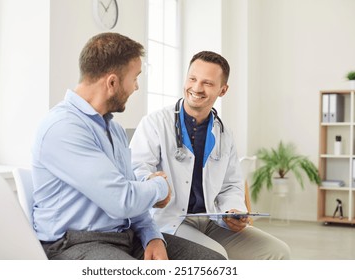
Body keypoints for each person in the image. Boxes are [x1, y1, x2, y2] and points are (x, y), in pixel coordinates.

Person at [31, 33, 225, 260]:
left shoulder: (113, 129)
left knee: (213, 263)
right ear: (112, 82)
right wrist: (160, 187)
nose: (136, 87)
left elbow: (130, 188)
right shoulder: (64, 128)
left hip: (125, 235)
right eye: (134, 78)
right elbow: (122, 200)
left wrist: (151, 235)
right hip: (76, 243)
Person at [130, 50, 291, 260]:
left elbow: (231, 184)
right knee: (216, 256)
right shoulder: (156, 123)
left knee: (277, 252)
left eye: (207, 83)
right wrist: (152, 181)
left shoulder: (223, 133)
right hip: (171, 220)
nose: (196, 88)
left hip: (211, 220)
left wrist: (233, 211)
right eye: (192, 79)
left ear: (223, 90)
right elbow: (137, 169)